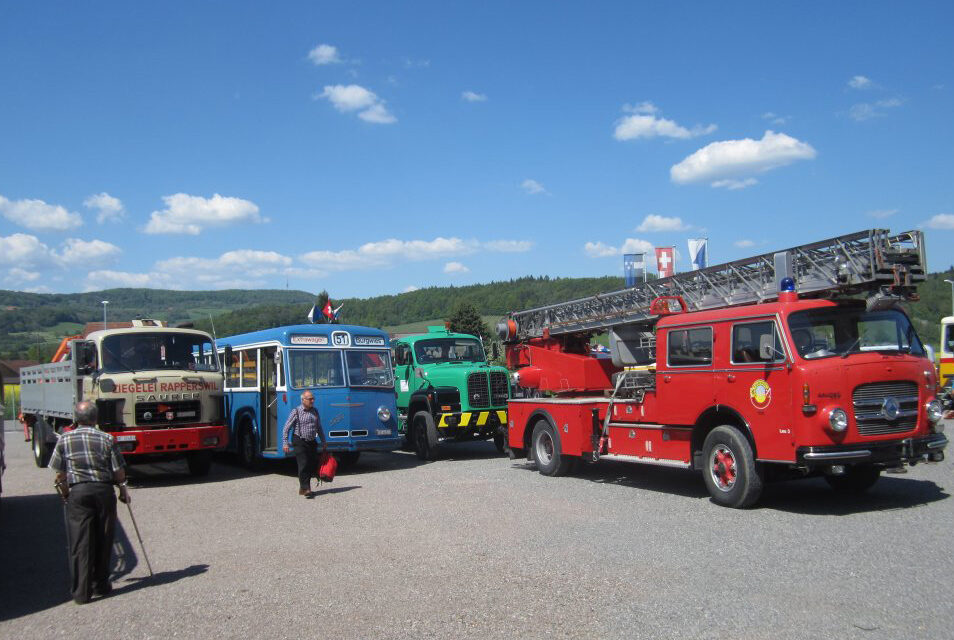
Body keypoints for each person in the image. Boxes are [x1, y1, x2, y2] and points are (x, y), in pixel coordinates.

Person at [50, 401, 129, 604]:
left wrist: (66, 494)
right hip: (103, 490)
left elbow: (60, 473)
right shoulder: (107, 439)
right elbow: (118, 471)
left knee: (79, 542)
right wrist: (122, 491)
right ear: (96, 419)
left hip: (79, 491)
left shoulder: (64, 439)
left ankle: (81, 592)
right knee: (103, 537)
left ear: (76, 419)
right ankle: (101, 584)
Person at [281, 391, 327, 496]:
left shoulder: (315, 411)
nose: (312, 401)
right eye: (310, 399)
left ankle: (303, 488)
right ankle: (306, 488)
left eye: (313, 398)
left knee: (311, 464)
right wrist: (285, 443)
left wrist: (323, 441)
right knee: (303, 463)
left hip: (311, 441)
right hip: (299, 440)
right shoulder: (296, 411)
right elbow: (286, 428)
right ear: (303, 400)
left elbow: (319, 427)